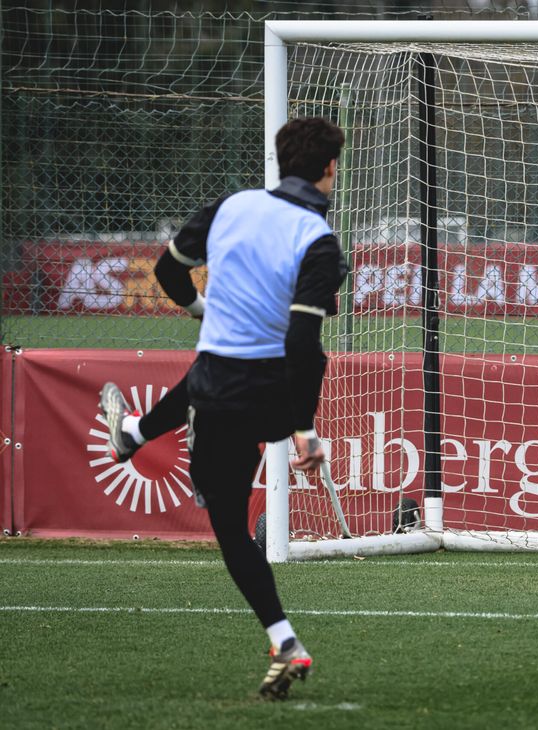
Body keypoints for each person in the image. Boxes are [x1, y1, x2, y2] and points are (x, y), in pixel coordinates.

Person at [99, 116, 347, 698]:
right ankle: (134, 433)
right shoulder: (321, 243)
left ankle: (285, 640)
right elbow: (305, 346)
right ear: (330, 170)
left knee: (231, 529)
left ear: (281, 162)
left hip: (219, 395)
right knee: (216, 369)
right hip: (275, 397)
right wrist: (304, 429)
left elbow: (166, 270)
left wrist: (198, 309)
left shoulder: (231, 207)